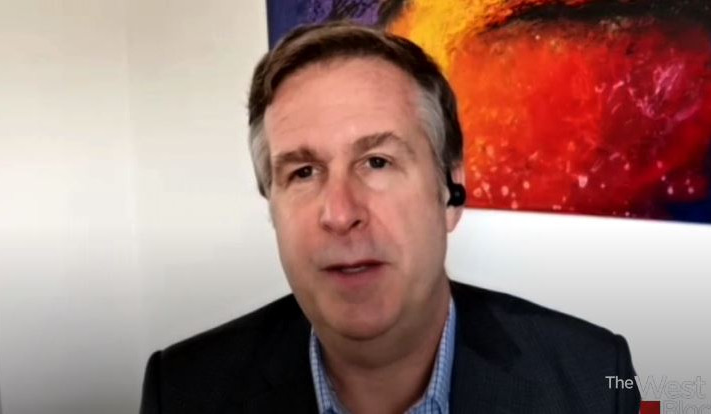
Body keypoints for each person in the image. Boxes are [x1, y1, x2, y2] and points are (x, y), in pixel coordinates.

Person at [139, 21, 641, 414]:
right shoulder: (184, 391)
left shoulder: (594, 378)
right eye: (304, 172)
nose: (340, 214)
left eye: (377, 162)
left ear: (450, 193)